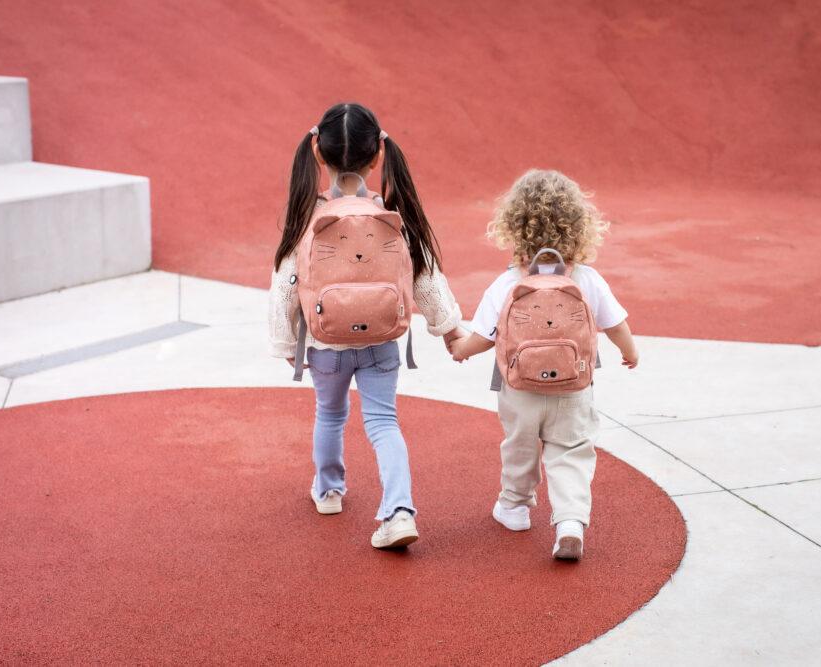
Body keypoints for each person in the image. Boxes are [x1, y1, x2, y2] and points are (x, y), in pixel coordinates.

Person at [269, 103, 463, 549]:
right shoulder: (389, 215)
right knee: (383, 421)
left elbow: (286, 280)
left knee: (330, 415)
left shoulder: (308, 216)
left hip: (324, 342)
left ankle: (330, 489)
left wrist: (284, 341)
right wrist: (448, 326)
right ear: (379, 155)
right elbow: (424, 274)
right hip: (381, 340)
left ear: (317, 153)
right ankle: (398, 510)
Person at [449, 169, 639, 559]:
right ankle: (569, 521)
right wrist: (629, 350)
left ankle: (514, 507)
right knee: (570, 449)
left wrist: (460, 349)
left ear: (513, 226)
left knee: (519, 445)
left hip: (519, 389)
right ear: (578, 227)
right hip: (574, 386)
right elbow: (615, 323)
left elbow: (484, 337)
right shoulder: (586, 278)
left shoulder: (508, 283)